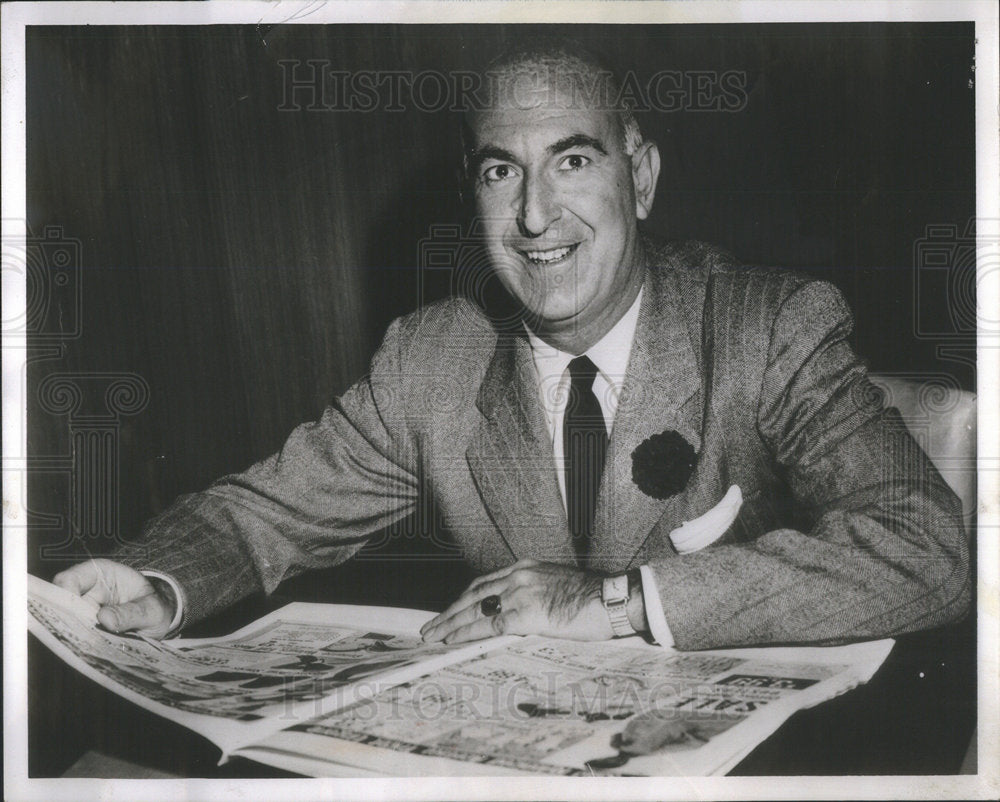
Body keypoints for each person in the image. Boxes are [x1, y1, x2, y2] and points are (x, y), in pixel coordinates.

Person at [53, 39, 970, 651]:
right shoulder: (429, 360)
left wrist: (620, 604)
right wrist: (155, 579)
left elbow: (925, 548)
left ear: (640, 177)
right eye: (502, 171)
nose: (535, 215)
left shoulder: (771, 327)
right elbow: (267, 513)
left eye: (573, 160)